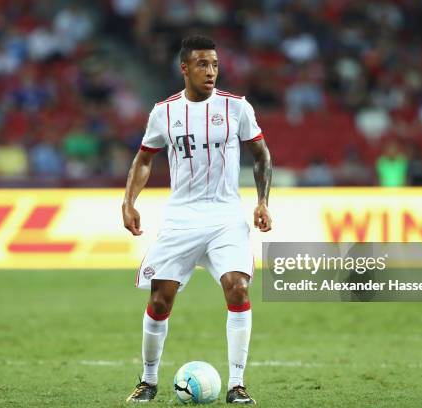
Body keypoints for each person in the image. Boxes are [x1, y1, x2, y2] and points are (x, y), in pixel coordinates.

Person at [122, 35, 272, 404]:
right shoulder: (164, 112)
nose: (211, 72)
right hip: (181, 217)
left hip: (225, 215)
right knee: (160, 299)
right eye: (203, 64)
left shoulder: (237, 108)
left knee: (237, 287)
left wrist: (262, 202)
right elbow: (144, 158)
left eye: (215, 65)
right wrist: (129, 201)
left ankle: (237, 385)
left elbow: (261, 155)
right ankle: (148, 380)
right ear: (184, 68)